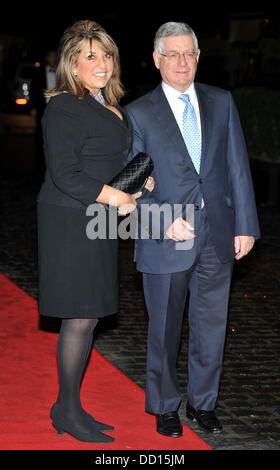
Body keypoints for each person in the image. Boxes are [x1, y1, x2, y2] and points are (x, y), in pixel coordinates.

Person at [125, 22, 260, 437]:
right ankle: (165, 406)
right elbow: (127, 188)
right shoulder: (139, 113)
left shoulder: (221, 102)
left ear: (198, 57)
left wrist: (246, 225)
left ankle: (203, 404)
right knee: (164, 328)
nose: (182, 62)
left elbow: (237, 166)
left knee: (211, 325)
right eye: (172, 54)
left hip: (218, 234)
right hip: (167, 237)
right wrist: (164, 218)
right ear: (156, 60)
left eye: (189, 54)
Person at [37, 20, 142, 443]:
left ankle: (69, 407)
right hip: (70, 217)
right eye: (91, 56)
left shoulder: (108, 105)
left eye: (107, 55)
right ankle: (67, 410)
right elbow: (66, 173)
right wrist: (116, 198)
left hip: (96, 217)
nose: (101, 63)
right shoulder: (64, 105)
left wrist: (136, 181)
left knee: (92, 313)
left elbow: (104, 160)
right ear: (73, 65)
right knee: (79, 317)